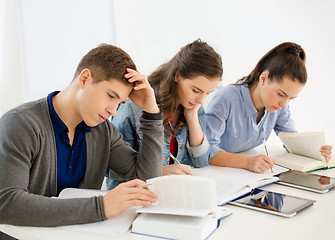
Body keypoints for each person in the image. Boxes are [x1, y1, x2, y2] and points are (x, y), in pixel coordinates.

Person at [0, 44, 164, 227]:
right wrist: (101, 207)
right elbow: (7, 203)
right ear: (85, 79)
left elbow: (146, 178)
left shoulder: (103, 132)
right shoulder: (20, 123)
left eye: (119, 103)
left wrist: (152, 113)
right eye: (111, 95)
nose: (113, 111)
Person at [106, 39, 223, 189]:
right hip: (137, 195)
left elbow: (201, 160)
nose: (201, 99)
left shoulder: (192, 105)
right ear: (178, 76)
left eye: (208, 93)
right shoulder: (134, 107)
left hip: (172, 191)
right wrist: (158, 172)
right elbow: (114, 174)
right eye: (196, 90)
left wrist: (192, 116)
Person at [206, 42, 332, 173]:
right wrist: (247, 162)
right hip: (213, 173)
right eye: (281, 94)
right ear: (264, 78)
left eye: (290, 98)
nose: (284, 104)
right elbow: (206, 151)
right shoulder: (226, 99)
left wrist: (315, 150)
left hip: (243, 176)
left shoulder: (278, 107)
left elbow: (291, 140)